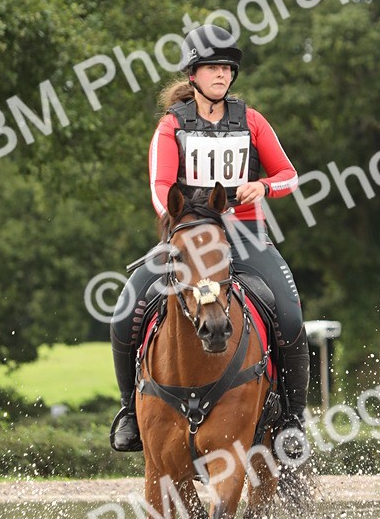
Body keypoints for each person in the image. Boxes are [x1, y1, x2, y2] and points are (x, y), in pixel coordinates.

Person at [109, 23, 310, 457]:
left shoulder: (251, 121)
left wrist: (265, 188)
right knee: (124, 313)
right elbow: (160, 191)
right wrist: (186, 232)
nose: (222, 74)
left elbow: (288, 174)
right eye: (212, 67)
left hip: (246, 237)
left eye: (227, 68)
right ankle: (130, 412)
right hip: (188, 241)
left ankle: (294, 418)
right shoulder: (170, 126)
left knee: (291, 320)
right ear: (193, 74)